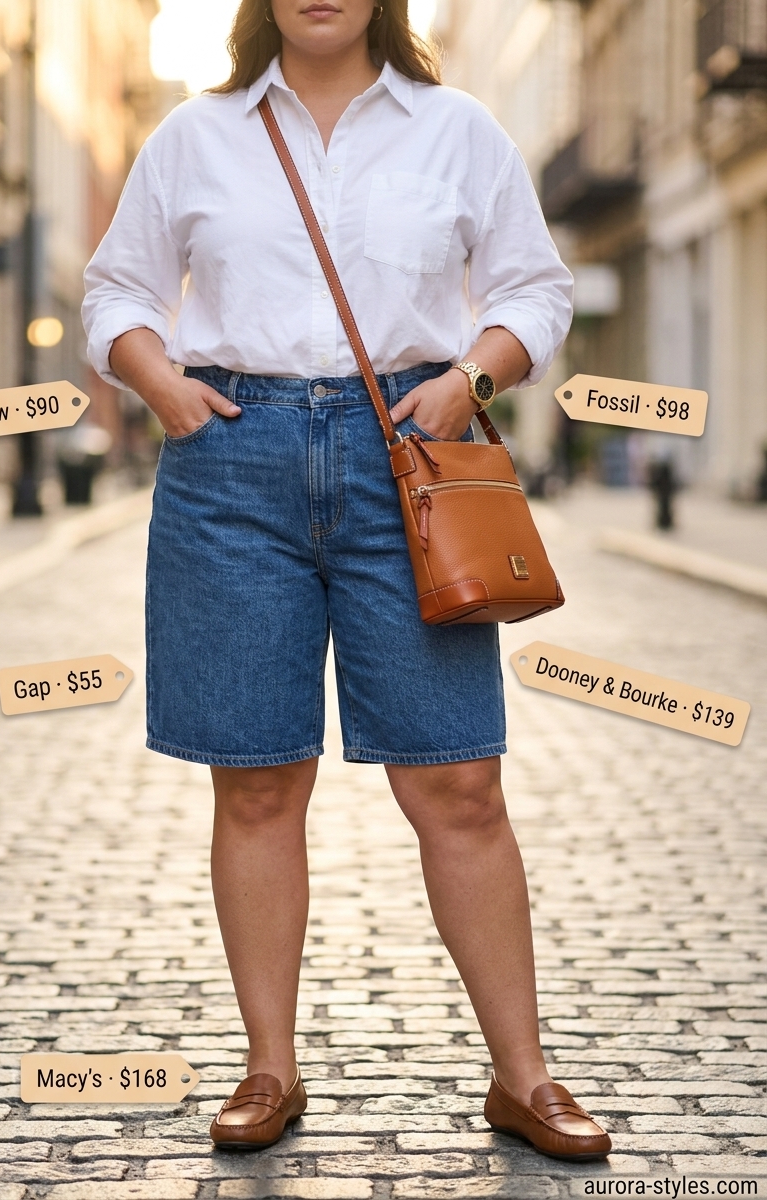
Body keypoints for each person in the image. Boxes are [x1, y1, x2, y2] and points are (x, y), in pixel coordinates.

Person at [83, 0, 611, 1162]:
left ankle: (522, 1078)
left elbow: (534, 288)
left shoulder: (456, 127)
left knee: (458, 783)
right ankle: (268, 1068)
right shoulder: (195, 135)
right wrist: (163, 386)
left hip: (410, 459)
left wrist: (474, 375)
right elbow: (114, 292)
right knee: (258, 786)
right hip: (232, 470)